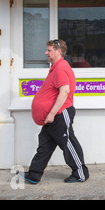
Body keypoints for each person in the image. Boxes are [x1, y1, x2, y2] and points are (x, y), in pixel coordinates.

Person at [18, 39, 89, 184]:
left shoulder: (61, 67)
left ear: (59, 51)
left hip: (59, 114)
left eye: (49, 50)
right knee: (44, 145)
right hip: (53, 115)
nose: (46, 53)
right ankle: (34, 175)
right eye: (47, 50)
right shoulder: (56, 68)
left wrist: (51, 114)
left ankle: (80, 173)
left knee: (68, 143)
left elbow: (64, 92)